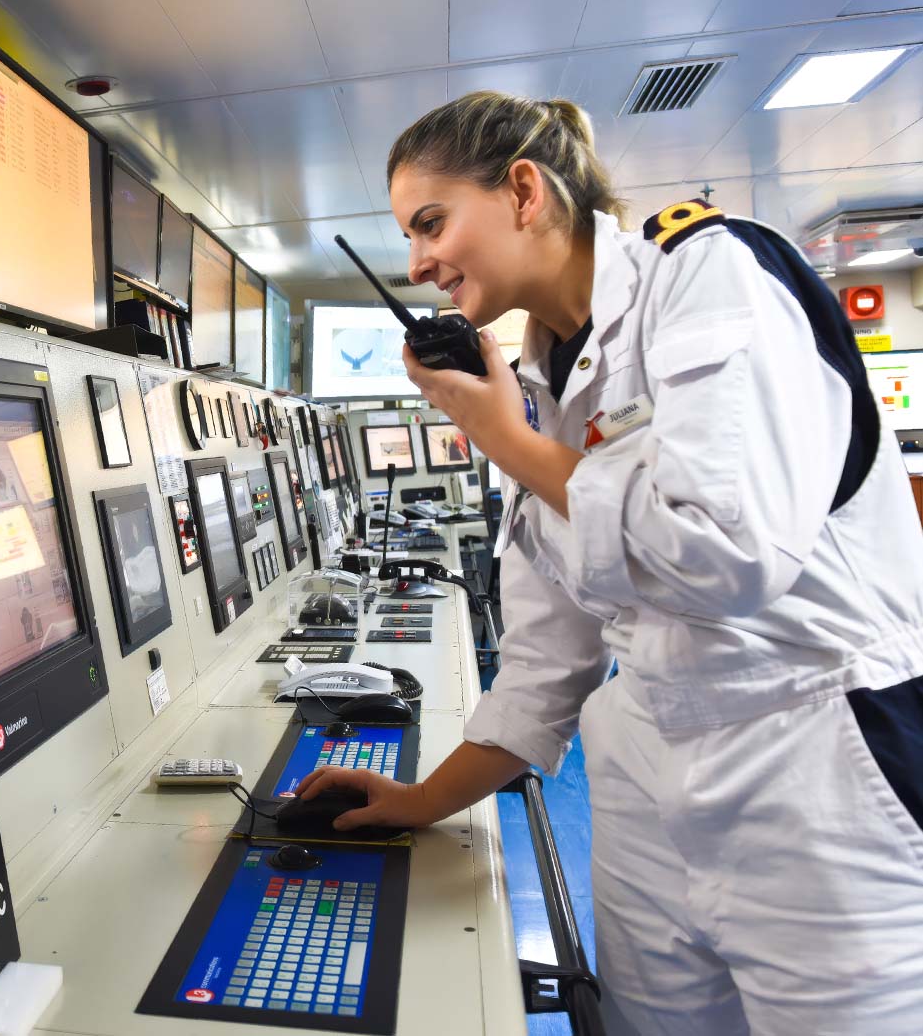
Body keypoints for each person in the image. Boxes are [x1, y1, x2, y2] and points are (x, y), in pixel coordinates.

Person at [296, 91, 923, 1034]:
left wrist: (506, 441)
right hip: (643, 767)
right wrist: (419, 801)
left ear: (521, 191)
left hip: (813, 764)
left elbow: (728, 552)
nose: (418, 262)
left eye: (431, 222)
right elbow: (551, 662)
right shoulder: (538, 382)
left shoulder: (710, 272)